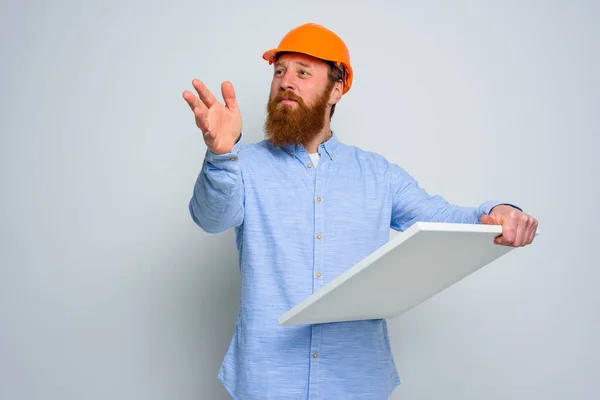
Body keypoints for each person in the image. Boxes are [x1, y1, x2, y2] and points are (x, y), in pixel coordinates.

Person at [182, 22, 538, 400]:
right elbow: (210, 217)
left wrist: (499, 212)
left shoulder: (377, 174)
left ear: (337, 90)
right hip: (266, 382)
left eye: (303, 72)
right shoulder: (244, 164)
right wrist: (221, 155)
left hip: (356, 383)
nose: (286, 81)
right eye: (280, 71)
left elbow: (444, 217)